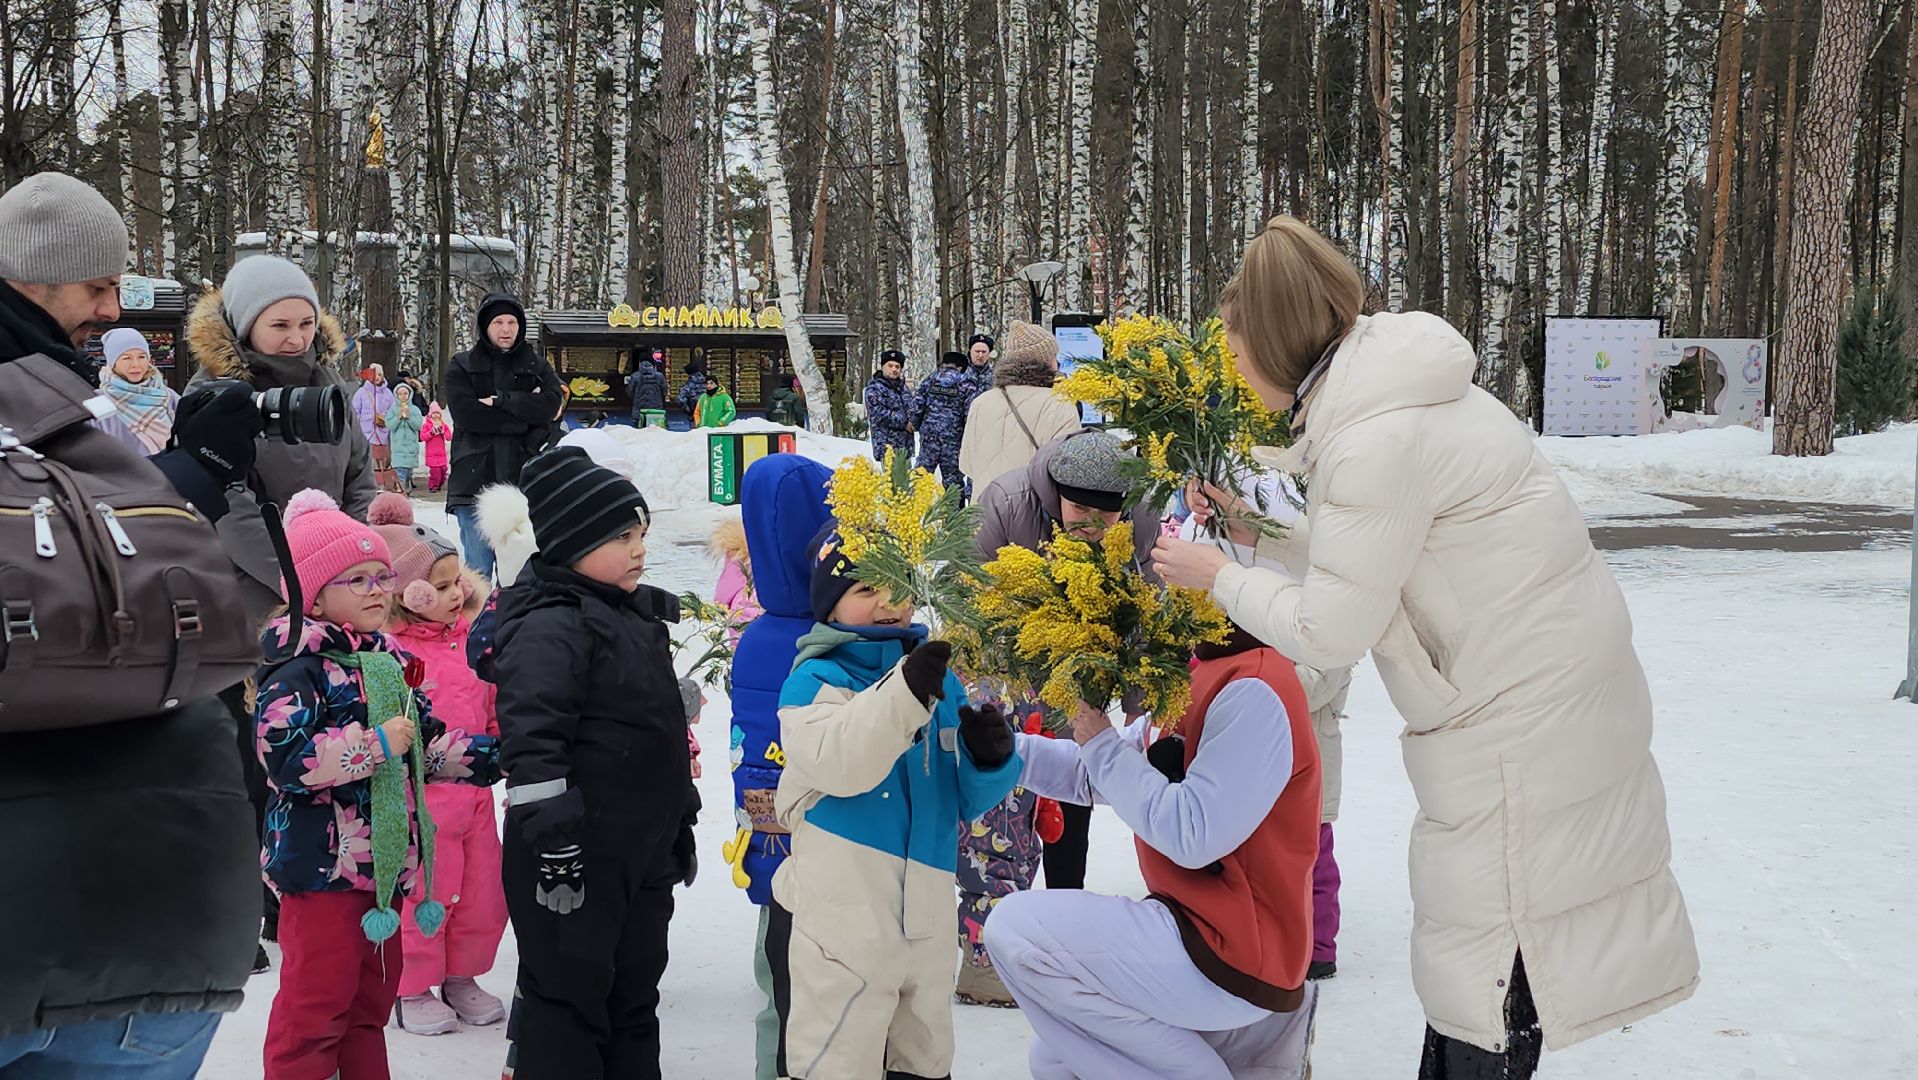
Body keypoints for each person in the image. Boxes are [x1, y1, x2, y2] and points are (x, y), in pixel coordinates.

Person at [1149, 216, 1699, 1076]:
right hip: (1539, 700)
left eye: (1235, 344)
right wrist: (1254, 529)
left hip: (1519, 728)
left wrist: (1217, 573)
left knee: (1492, 965)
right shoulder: (1388, 397)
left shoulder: (1374, 438)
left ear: (1276, 339)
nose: (1232, 365)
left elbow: (1332, 629)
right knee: (1488, 955)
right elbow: (1375, 556)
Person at [0, 171, 257, 1078]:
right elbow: (209, 616)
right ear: (32, 279)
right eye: (96, 288)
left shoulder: (74, 404)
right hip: (139, 916)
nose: (113, 308)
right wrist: (196, 479)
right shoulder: (53, 413)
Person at [983, 625, 1323, 1080]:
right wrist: (1008, 755)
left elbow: (1193, 832)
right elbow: (1104, 773)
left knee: (1016, 929)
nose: (1165, 585)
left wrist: (1101, 745)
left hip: (1232, 954)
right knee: (1056, 1056)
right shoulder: (1202, 671)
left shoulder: (1254, 689)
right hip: (1197, 932)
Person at [254, 489, 501, 1079]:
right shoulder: (296, 670)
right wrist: (375, 744)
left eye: (381, 577)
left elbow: (430, 744)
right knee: (314, 1012)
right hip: (322, 874)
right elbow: (287, 759)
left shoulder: (386, 662)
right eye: (356, 579)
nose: (376, 590)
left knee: (369, 1008)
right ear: (313, 594)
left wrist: (513, 755)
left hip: (384, 871)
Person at [773, 523, 1022, 1080]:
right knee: (838, 1058)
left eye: (898, 583)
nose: (887, 603)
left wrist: (989, 762)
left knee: (926, 1061)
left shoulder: (938, 677)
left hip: (927, 916)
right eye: (865, 589)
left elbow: (961, 801)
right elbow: (842, 761)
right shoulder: (815, 680)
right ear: (831, 605)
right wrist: (905, 693)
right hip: (846, 922)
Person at [484, 447, 701, 1080]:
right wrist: (554, 843)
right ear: (571, 544)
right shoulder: (551, 624)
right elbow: (534, 740)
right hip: (571, 858)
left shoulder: (628, 615)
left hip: (637, 852)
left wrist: (675, 824)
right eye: (619, 537)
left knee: (634, 997)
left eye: (641, 534)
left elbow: (653, 734)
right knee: (568, 1004)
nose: (638, 549)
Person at [187, 253, 379, 967]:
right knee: (255, 754)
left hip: (334, 597)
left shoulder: (331, 387)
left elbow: (358, 472)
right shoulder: (217, 394)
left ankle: (306, 888)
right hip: (257, 597)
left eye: (305, 321)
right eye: (279, 325)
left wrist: (360, 559)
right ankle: (246, 899)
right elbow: (227, 505)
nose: (296, 337)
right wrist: (300, 579)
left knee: (322, 744)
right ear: (245, 326)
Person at [958, 429, 1163, 1002]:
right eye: (1079, 510)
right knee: (1004, 804)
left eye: (1106, 515)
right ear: (1055, 494)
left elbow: (1146, 597)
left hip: (1085, 665)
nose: (1092, 526)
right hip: (1009, 663)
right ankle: (990, 943)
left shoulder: (1142, 512)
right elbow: (964, 595)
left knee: (1075, 785)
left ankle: (1065, 924)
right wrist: (983, 691)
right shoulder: (1006, 503)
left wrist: (1144, 706)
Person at [368, 495, 512, 1037]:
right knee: (425, 892)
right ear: (409, 593)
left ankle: (461, 975)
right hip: (420, 806)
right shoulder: (391, 652)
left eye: (459, 582)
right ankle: (411, 986)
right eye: (444, 585)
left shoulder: (471, 642)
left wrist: (505, 740)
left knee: (480, 893)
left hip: (475, 796)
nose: (459, 594)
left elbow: (492, 699)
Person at [720, 455, 835, 1080]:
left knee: (780, 991)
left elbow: (752, 761)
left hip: (774, 850)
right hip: (837, 850)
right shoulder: (836, 634)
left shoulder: (760, 636)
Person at [445, 292, 566, 580]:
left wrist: (502, 401)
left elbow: (551, 405)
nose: (505, 329)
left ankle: (517, 626)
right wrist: (525, 415)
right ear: (486, 326)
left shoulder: (535, 365)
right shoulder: (462, 365)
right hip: (475, 481)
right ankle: (480, 626)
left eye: (512, 322)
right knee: (479, 574)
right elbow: (467, 415)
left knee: (521, 575)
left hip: (522, 480)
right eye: (498, 322)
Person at [958, 320, 1081, 491]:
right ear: (1046, 361)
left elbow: (967, 465)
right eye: (1054, 356)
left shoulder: (980, 402)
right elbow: (1069, 471)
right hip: (1033, 512)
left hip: (985, 509)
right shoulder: (1060, 404)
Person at [90, 326, 179, 454]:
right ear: (113, 363)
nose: (136, 364)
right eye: (127, 358)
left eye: (142, 357)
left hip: (169, 469)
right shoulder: (99, 403)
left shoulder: (167, 397)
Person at [911, 351, 972, 491]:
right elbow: (969, 412)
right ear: (961, 367)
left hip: (929, 436)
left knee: (921, 475)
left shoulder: (930, 379)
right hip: (953, 438)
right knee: (953, 481)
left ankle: (913, 508)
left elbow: (917, 404)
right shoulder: (964, 382)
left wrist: (915, 424)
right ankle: (954, 512)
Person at [354, 364, 399, 492]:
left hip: (383, 433)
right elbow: (355, 412)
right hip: (367, 433)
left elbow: (393, 411)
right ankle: (372, 485)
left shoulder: (388, 394)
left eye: (379, 374)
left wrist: (385, 419)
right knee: (370, 461)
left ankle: (383, 485)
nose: (377, 377)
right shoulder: (361, 393)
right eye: (374, 374)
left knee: (383, 461)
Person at [864, 350, 913, 462]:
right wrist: (905, 423)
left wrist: (914, 420)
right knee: (891, 479)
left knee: (906, 479)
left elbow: (911, 408)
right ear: (882, 367)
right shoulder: (874, 388)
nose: (894, 369)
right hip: (887, 446)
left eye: (897, 366)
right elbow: (879, 413)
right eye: (890, 366)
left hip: (905, 447)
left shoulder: (903, 388)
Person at [387, 382, 424, 493]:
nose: (403, 396)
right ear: (396, 395)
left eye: (405, 393)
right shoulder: (392, 410)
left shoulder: (415, 410)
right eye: (400, 394)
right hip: (398, 447)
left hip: (410, 448)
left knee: (407, 472)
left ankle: (406, 488)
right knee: (400, 472)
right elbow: (389, 425)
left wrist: (409, 417)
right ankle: (401, 492)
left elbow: (418, 426)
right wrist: (398, 417)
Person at [628, 350, 667, 423]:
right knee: (656, 428)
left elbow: (630, 391)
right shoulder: (660, 376)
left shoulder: (635, 376)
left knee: (639, 428)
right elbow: (664, 391)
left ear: (640, 363)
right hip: (656, 407)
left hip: (639, 407)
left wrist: (636, 399)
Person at [422, 402, 452, 492]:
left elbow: (449, 436)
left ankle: (439, 484)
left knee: (443, 471)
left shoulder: (443, 425)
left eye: (438, 413)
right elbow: (423, 437)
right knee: (435, 472)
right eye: (434, 413)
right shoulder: (427, 425)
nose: (436, 415)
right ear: (430, 415)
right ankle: (433, 486)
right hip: (431, 454)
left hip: (441, 454)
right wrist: (431, 433)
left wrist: (443, 433)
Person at [963, 331, 995, 404]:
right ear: (970, 351)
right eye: (977, 351)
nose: (980, 355)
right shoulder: (960, 373)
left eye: (984, 352)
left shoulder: (995, 376)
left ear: (989, 353)